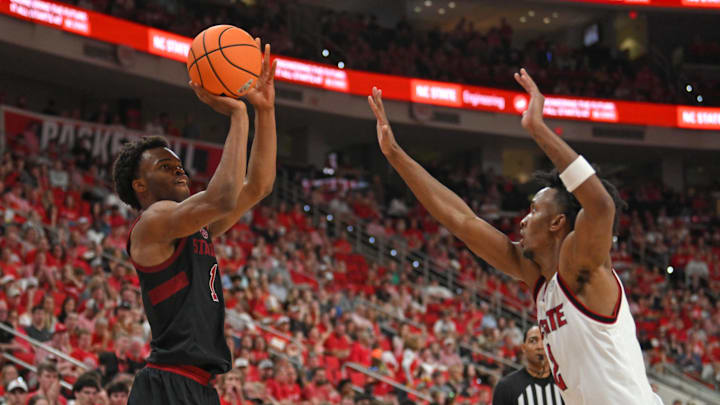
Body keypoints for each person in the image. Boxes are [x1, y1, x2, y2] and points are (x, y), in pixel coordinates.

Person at [367, 69, 661, 404]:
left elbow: (601, 206)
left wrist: (538, 130)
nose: (522, 221)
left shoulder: (581, 265)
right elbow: (462, 220)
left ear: (557, 223)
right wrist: (395, 156)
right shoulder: (538, 277)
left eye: (534, 211)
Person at [112, 39, 277, 405]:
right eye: (165, 166)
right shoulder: (152, 223)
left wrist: (265, 111)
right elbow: (224, 195)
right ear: (140, 186)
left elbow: (259, 185)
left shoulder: (193, 227)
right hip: (167, 384)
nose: (179, 170)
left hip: (199, 387)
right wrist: (238, 115)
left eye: (179, 164)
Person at [492, 326, 564, 405]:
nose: (540, 346)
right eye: (533, 341)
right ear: (523, 348)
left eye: (545, 340)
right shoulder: (506, 387)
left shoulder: (566, 385)